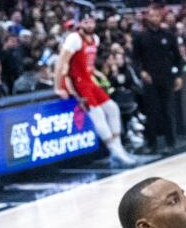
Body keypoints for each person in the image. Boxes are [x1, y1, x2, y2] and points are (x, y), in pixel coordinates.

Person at [55, 14, 136, 167]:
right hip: (77, 82)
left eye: (91, 21)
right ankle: (114, 150)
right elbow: (61, 63)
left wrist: (98, 75)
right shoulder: (74, 39)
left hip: (89, 80)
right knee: (97, 114)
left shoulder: (96, 39)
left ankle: (118, 147)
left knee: (113, 109)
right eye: (85, 21)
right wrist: (58, 87)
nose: (89, 24)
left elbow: (89, 66)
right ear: (80, 24)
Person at [131, 5, 184, 155]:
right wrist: (141, 72)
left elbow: (178, 58)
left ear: (160, 17)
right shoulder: (140, 36)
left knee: (168, 111)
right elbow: (135, 59)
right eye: (151, 15)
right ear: (147, 17)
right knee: (151, 112)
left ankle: (171, 142)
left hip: (167, 77)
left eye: (156, 15)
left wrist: (178, 75)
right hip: (150, 79)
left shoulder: (169, 35)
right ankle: (151, 144)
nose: (154, 18)